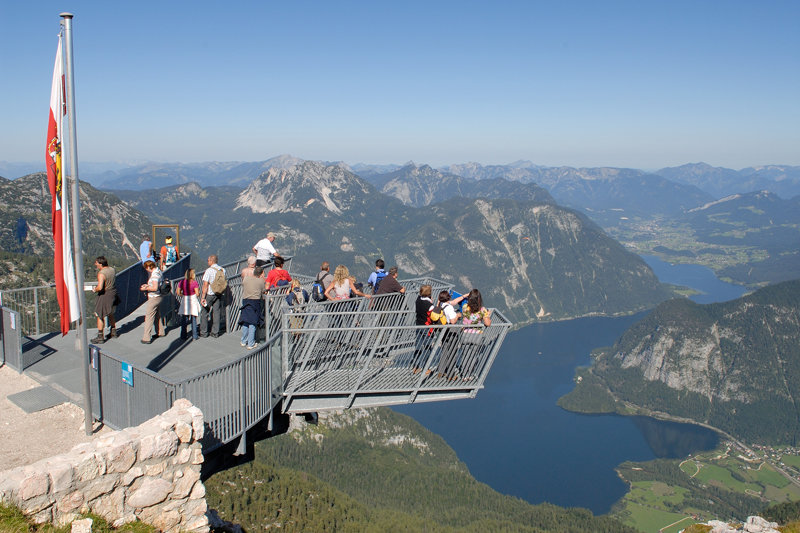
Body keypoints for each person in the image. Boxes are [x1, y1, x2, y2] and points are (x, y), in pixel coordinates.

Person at [459, 289, 493, 381]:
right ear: (479, 299)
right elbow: (487, 323)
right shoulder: (482, 310)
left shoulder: (465, 307)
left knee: (465, 355)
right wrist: (487, 315)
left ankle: (464, 375)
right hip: (476, 335)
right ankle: (470, 375)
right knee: (473, 356)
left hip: (465, 334)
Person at [435, 290, 467, 380]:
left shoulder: (442, 305)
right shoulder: (449, 307)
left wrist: (464, 295)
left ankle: (441, 372)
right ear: (448, 297)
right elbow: (453, 321)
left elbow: (454, 302)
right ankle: (451, 374)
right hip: (451, 331)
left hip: (444, 330)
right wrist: (458, 315)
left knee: (444, 350)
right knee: (452, 352)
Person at [90, 256, 117, 344]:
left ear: (100, 264)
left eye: (96, 263)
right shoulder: (112, 270)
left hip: (105, 295)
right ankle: (113, 332)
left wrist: (95, 289)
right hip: (113, 293)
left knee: (100, 314)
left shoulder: (101, 273)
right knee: (111, 313)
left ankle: (100, 336)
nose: (95, 264)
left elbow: (100, 287)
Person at [239, 266, 265, 349]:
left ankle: (243, 341)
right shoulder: (261, 281)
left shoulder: (246, 279)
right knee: (253, 323)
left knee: (245, 321)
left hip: (245, 301)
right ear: (261, 274)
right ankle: (251, 343)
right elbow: (263, 291)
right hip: (255, 302)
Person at [140, 260, 165, 344]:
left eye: (146, 268)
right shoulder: (159, 271)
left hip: (154, 297)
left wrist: (145, 288)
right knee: (157, 315)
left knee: (149, 317)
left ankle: (146, 337)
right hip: (159, 296)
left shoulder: (154, 275)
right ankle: (160, 332)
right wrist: (147, 285)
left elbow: (155, 288)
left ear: (149, 267)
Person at [199, 254, 225, 338]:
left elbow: (205, 284)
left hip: (210, 294)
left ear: (211, 261)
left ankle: (204, 332)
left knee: (204, 312)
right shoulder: (222, 270)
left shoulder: (209, 271)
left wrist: (203, 297)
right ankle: (215, 332)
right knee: (216, 312)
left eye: (208, 260)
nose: (207, 262)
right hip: (219, 294)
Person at [412, 284, 434, 374]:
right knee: (428, 347)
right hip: (427, 327)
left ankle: (415, 366)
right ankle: (426, 367)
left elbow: (420, 296)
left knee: (418, 345)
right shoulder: (429, 305)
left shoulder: (418, 300)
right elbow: (433, 316)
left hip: (418, 325)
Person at [176, 268, 201, 340]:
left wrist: (182, 295)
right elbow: (197, 294)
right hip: (192, 299)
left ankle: (183, 335)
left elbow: (178, 292)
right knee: (193, 318)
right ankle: (195, 335)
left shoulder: (182, 282)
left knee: (184, 318)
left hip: (185, 299)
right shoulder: (194, 282)